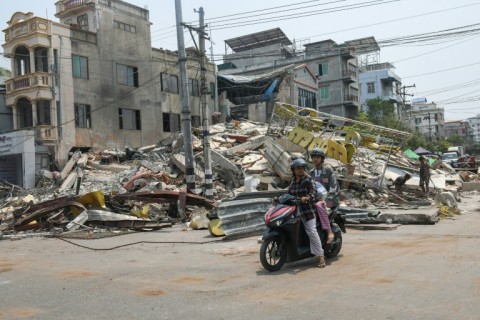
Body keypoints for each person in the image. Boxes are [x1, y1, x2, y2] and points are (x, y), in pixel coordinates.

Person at [288, 158, 325, 268]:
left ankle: (321, 257)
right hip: (294, 211)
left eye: (302, 168)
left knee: (311, 231)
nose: (300, 170)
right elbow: (288, 193)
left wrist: (307, 197)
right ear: (293, 170)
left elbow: (313, 192)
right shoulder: (293, 181)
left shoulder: (308, 179)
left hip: (307, 211)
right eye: (298, 168)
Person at [309, 148, 335, 245]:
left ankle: (329, 232)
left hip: (329, 198)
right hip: (315, 197)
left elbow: (334, 186)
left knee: (320, 206)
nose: (315, 159)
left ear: (322, 159)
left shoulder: (328, 170)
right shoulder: (311, 172)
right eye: (313, 157)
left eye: (317, 157)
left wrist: (327, 199)